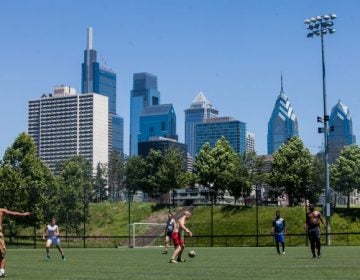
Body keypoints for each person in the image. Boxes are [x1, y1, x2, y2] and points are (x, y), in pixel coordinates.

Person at [0, 208, 31, 277]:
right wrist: (23, 214)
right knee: (2, 254)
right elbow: (14, 213)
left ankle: (2, 272)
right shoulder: (1, 210)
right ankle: (2, 272)